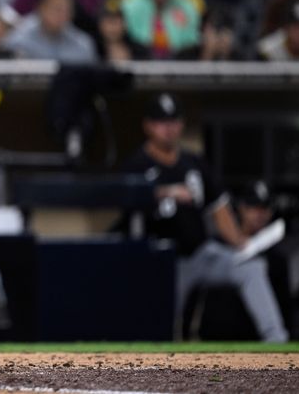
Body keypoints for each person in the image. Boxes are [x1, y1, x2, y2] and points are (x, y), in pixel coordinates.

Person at [114, 93, 288, 342]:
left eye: (173, 121)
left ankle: (276, 341)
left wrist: (240, 242)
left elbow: (218, 207)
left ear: (181, 124)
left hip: (200, 253)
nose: (168, 128)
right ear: (148, 125)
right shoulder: (137, 165)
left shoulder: (193, 163)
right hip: (160, 262)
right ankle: (156, 366)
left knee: (251, 266)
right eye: (162, 121)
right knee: (161, 323)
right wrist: (165, 192)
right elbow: (125, 205)